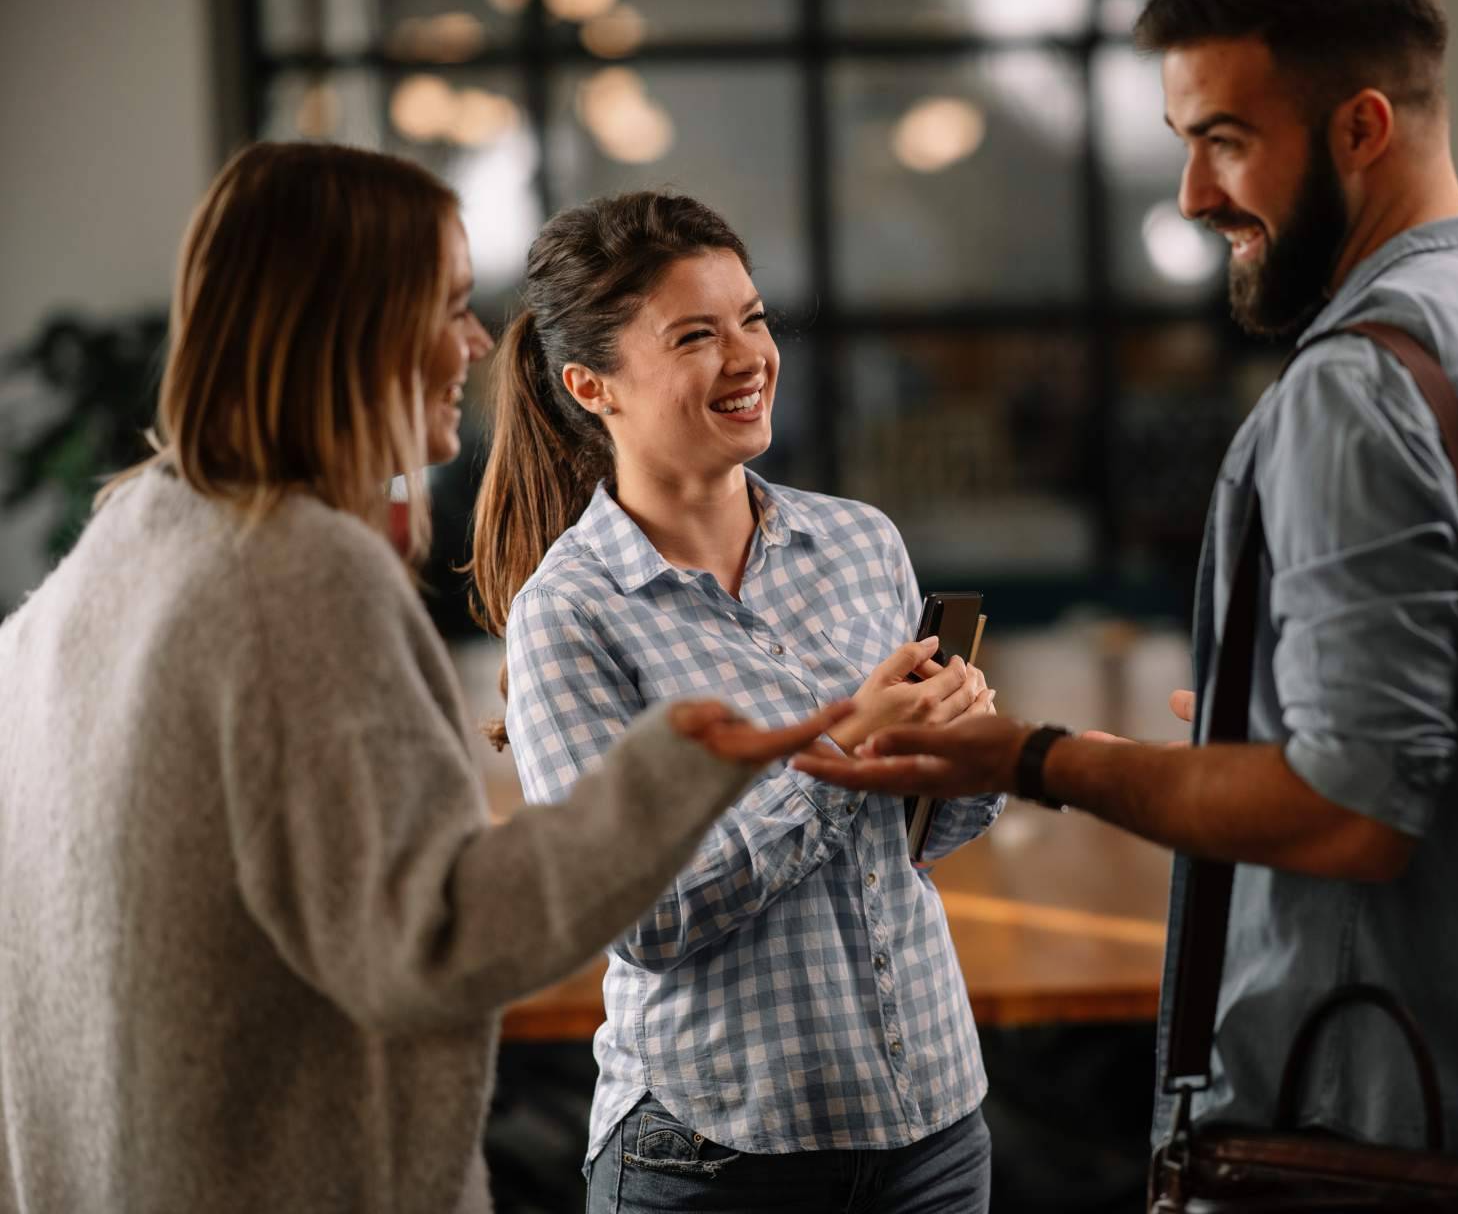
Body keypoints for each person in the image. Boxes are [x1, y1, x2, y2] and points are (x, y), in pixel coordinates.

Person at [794, 0, 1458, 1209]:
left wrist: (1031, 757)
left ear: (1362, 126)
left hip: (1382, 1118)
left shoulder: (1358, 389)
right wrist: (1250, 734)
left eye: (1223, 138)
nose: (1194, 196)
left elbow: (1347, 812)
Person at [0, 142, 848, 1214]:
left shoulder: (107, 561)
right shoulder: (295, 571)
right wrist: (683, 762)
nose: (478, 341)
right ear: (352, 323)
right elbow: (430, 938)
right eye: (448, 304)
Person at [465, 191, 1002, 1213]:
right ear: (592, 385)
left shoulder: (860, 542)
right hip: (717, 1159)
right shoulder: (570, 615)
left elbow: (919, 839)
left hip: (932, 1126)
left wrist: (963, 743)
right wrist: (848, 748)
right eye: (696, 335)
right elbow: (640, 915)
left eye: (753, 318)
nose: (749, 354)